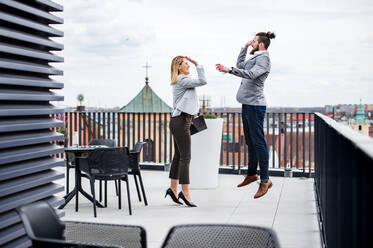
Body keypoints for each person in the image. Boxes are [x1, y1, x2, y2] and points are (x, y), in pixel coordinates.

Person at [216, 31, 275, 199]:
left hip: (256, 106)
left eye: (254, 41)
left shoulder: (264, 59)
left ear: (261, 44)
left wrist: (229, 70)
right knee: (250, 141)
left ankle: (265, 180)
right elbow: (241, 65)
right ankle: (251, 174)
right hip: (248, 105)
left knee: (259, 143)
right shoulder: (255, 57)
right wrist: (244, 47)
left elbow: (250, 74)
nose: (252, 42)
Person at [165, 56, 207, 207]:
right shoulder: (182, 80)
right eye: (185, 63)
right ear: (179, 67)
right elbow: (203, 81)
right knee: (185, 158)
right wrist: (198, 65)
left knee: (179, 157)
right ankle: (185, 192)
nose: (188, 65)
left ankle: (173, 188)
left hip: (182, 121)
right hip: (181, 121)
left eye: (188, 63)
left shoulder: (182, 80)